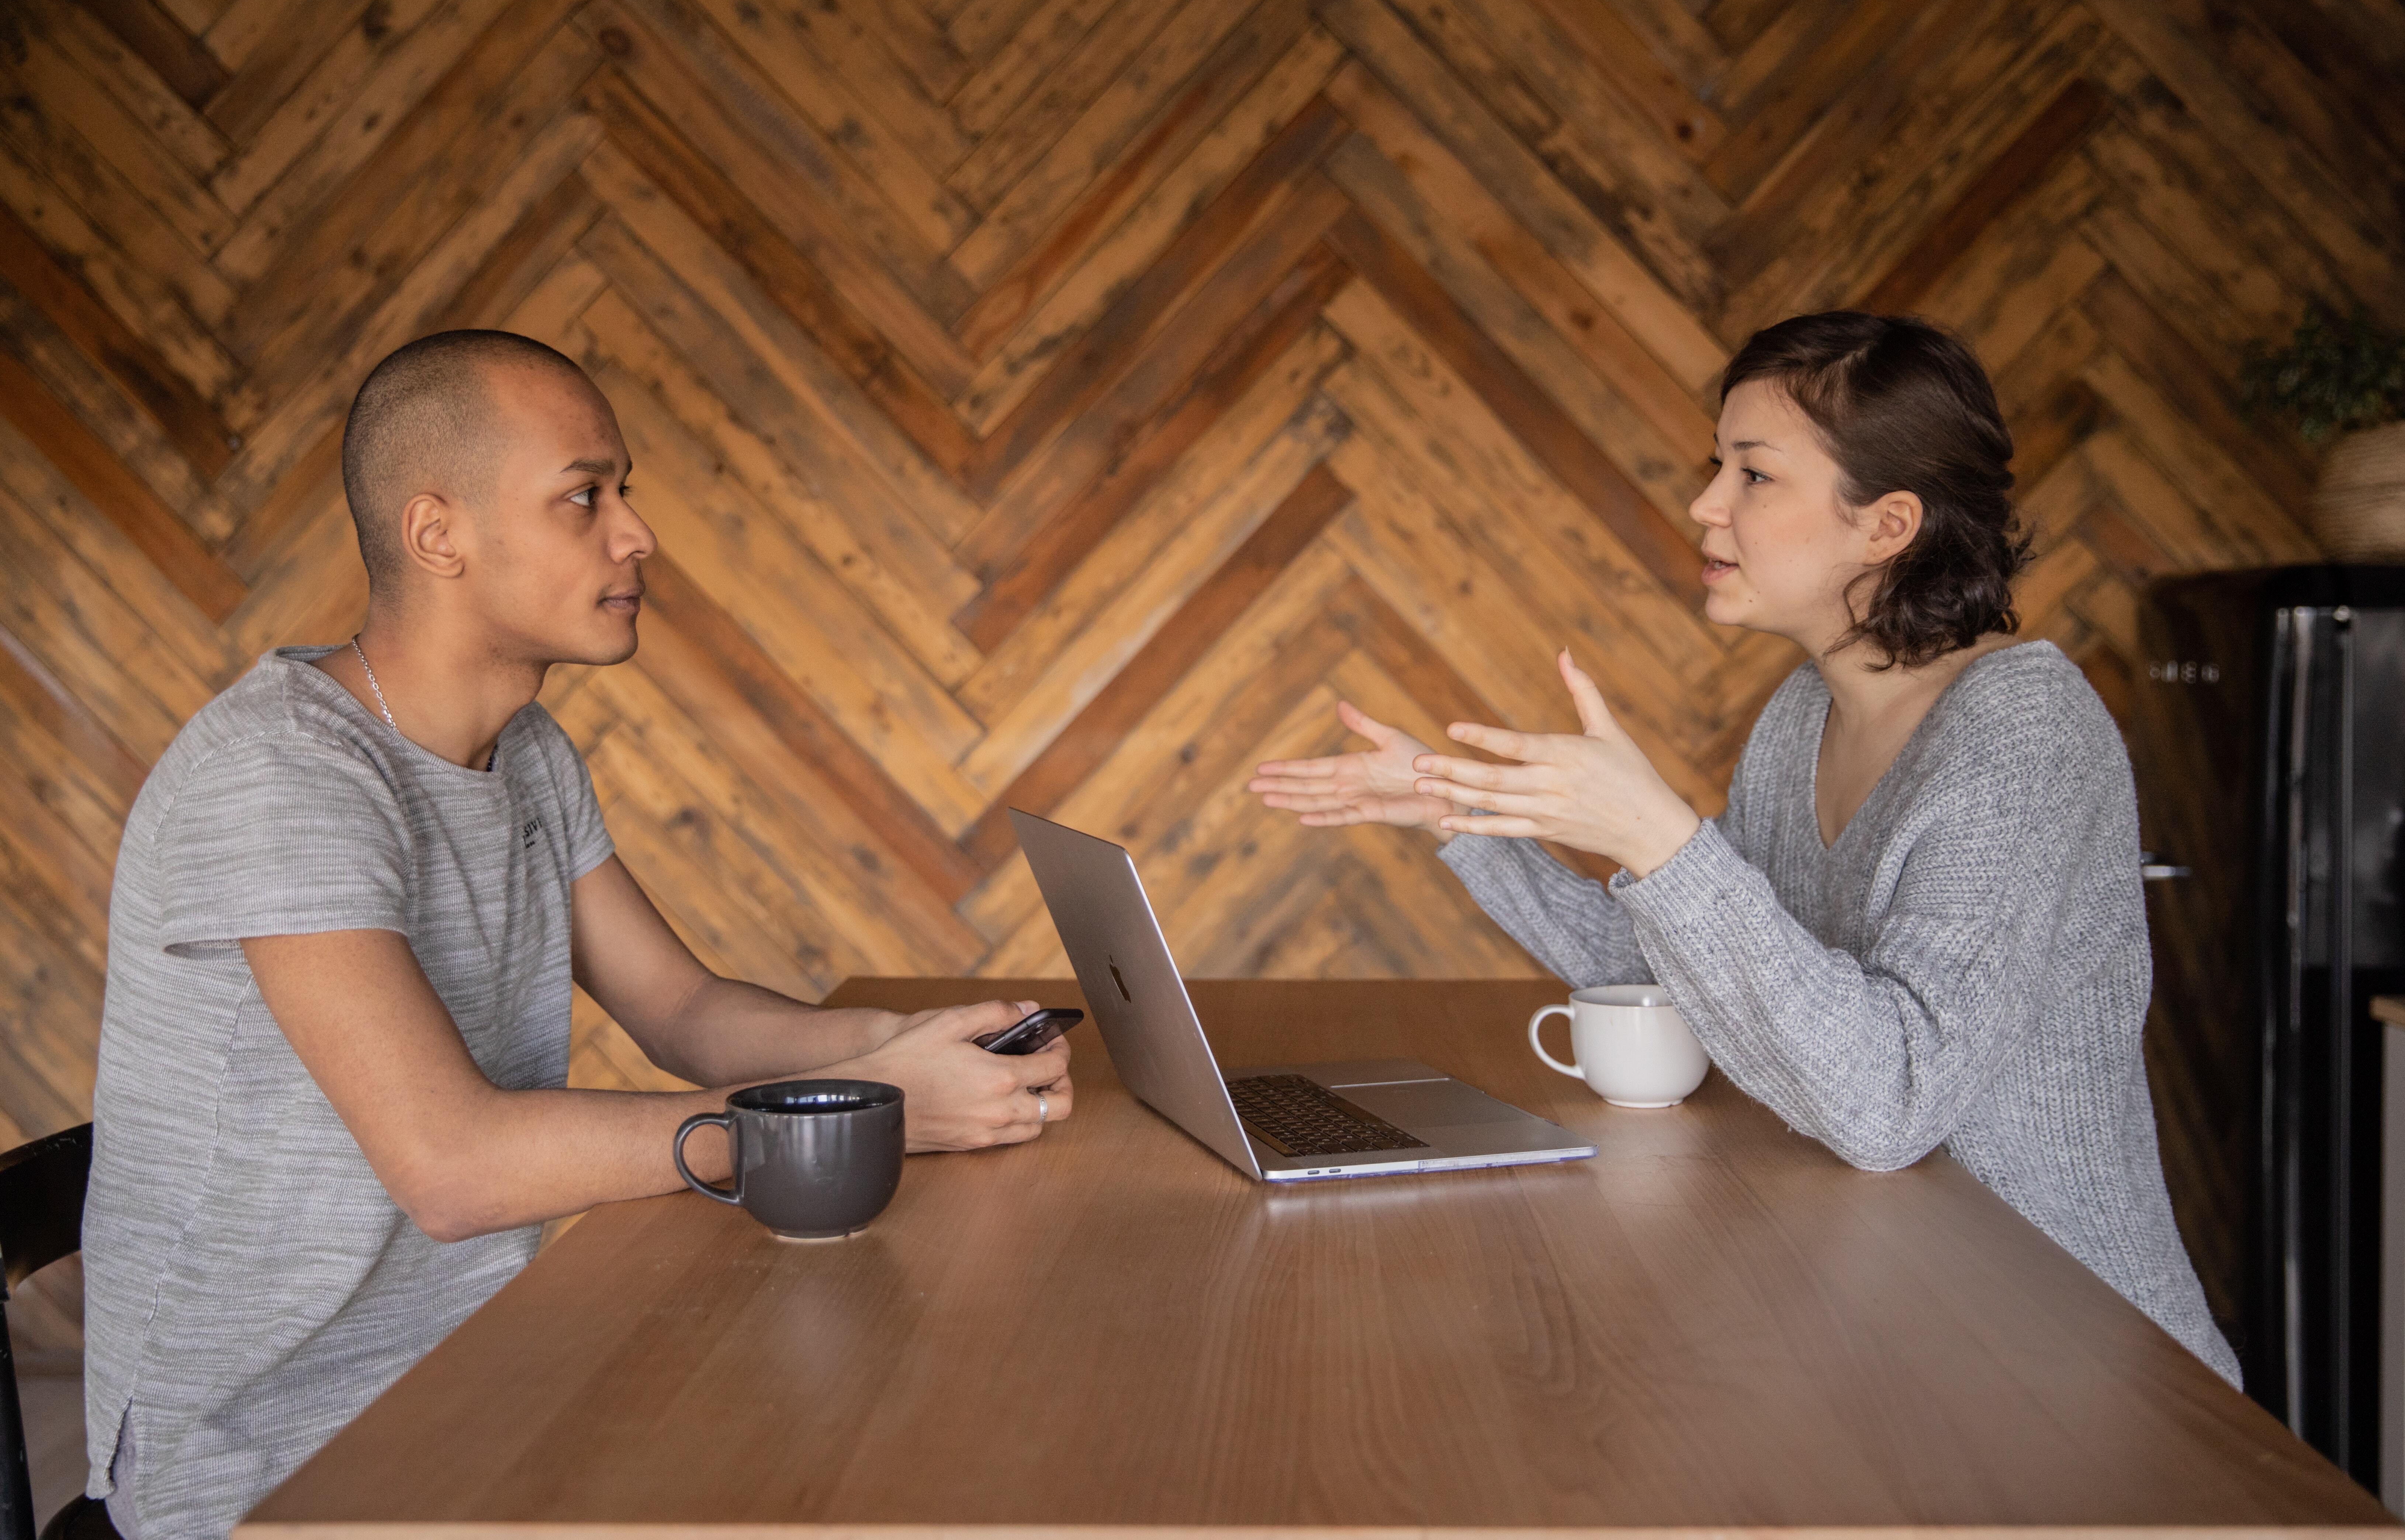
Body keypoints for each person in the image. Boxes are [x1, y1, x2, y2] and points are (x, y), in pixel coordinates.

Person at [80, 330, 1074, 1540]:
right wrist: (862, 1109)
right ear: (437, 533)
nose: (636, 534)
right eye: (584, 497)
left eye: (625, 493)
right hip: (275, 1463)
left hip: (482, 1381)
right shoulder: (281, 774)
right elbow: (456, 1169)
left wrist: (908, 1040)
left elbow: (684, 1012)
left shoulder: (530, 754)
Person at [1252, 310, 2240, 1385]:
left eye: (1754, 476)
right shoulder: (1799, 718)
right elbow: (1685, 978)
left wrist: (1659, 838)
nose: (1703, 504)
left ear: (1888, 524)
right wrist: (1455, 814)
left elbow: (1889, 1104)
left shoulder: (2025, 736)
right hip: (1898, 1325)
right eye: (1714, 465)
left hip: (2076, 1371)